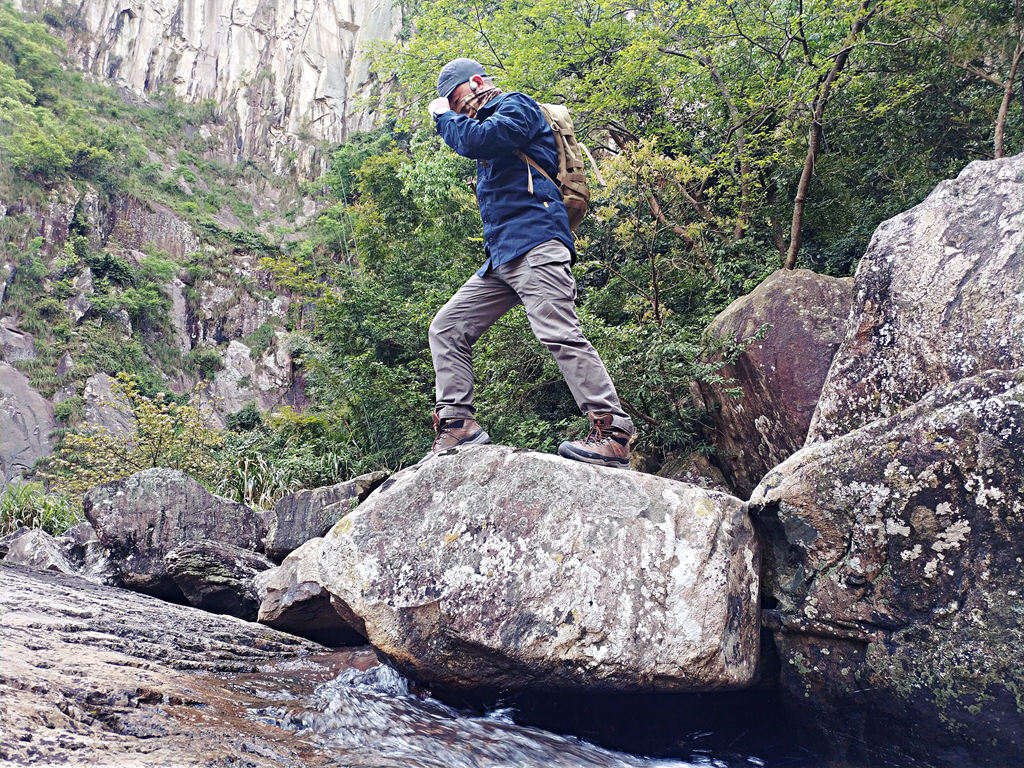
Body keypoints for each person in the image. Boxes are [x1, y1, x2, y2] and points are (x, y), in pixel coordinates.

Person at [425, 57, 635, 468]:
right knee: (447, 327)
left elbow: (476, 140)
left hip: (537, 244)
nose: (454, 108)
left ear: (478, 81)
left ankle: (613, 432)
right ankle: (457, 425)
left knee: (559, 332)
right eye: (448, 104)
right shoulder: (484, 125)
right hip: (502, 257)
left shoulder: (517, 106)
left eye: (455, 98)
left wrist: (441, 117)